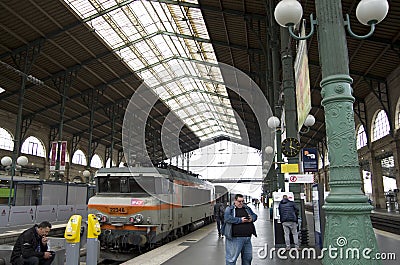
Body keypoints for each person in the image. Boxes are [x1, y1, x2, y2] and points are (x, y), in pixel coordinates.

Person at [222, 194, 257, 265]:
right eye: (239, 201)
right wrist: (240, 220)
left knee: (248, 258)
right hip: (235, 238)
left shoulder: (247, 208)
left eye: (242, 201)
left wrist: (251, 218)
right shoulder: (230, 209)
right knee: (231, 259)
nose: (241, 203)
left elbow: (255, 215)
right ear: (235, 201)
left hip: (247, 238)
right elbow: (227, 218)